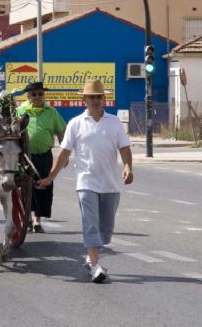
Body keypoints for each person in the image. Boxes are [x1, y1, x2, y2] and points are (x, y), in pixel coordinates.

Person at [37, 79, 133, 284]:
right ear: (84, 100)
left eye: (99, 96)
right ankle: (96, 266)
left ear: (103, 98)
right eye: (91, 97)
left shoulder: (114, 122)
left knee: (105, 231)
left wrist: (128, 167)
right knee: (90, 225)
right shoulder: (75, 123)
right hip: (86, 183)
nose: (95, 100)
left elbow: (124, 147)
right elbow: (64, 153)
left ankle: (91, 258)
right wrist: (50, 177)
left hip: (110, 185)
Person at [16, 81, 66, 233]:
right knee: (25, 187)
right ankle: (28, 219)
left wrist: (64, 154)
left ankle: (37, 221)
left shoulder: (51, 112)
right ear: (28, 96)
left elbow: (61, 131)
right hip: (25, 156)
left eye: (40, 94)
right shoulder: (20, 111)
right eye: (34, 94)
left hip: (45, 156)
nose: (37, 96)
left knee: (44, 186)